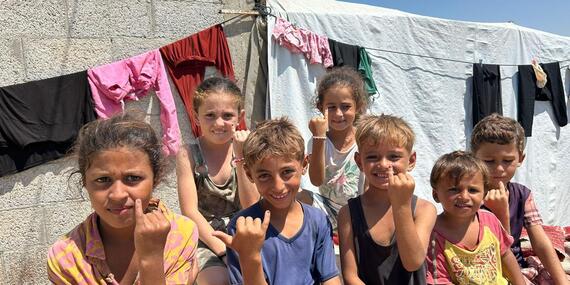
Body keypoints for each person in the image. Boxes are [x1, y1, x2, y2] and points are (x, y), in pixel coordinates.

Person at [47, 113, 199, 284]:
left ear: (155, 179)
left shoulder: (180, 234)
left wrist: (152, 258)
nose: (118, 194)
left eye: (133, 178)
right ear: (85, 183)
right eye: (102, 180)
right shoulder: (66, 257)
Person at [213, 118, 341, 285]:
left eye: (287, 172)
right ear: (250, 174)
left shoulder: (318, 220)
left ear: (304, 165)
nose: (278, 186)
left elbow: (330, 278)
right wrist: (250, 256)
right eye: (265, 175)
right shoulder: (243, 229)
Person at [176, 77, 259, 285]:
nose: (219, 123)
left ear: (239, 117)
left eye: (227, 115)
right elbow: (190, 212)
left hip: (245, 233)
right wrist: (223, 251)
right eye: (210, 115)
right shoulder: (188, 154)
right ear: (196, 117)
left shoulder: (247, 149)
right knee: (219, 280)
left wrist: (240, 157)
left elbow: (252, 204)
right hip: (206, 239)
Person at [337, 114, 437, 284]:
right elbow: (350, 275)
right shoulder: (348, 213)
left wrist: (401, 206)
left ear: (411, 160)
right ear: (359, 161)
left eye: (394, 156)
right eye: (372, 157)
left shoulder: (424, 209)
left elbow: (412, 262)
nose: (383, 164)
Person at [471, 114, 568, 284]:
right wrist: (501, 213)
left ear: (520, 159)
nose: (499, 169)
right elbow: (493, 252)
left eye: (507, 161)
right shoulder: (467, 197)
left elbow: (540, 243)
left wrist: (562, 281)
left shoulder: (522, 195)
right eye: (488, 161)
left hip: (518, 266)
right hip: (482, 270)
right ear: (473, 158)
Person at [426, 151, 525, 285]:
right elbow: (441, 280)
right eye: (454, 190)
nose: (464, 197)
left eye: (473, 190)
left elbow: (506, 255)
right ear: (436, 194)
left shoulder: (490, 220)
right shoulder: (433, 234)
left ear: (484, 193)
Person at [299, 66, 368, 233]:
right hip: (327, 207)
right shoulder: (318, 140)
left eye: (345, 106)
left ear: (358, 106)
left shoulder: (365, 138)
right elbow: (316, 181)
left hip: (361, 209)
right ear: (320, 107)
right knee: (296, 195)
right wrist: (319, 137)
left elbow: (369, 184)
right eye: (331, 107)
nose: (338, 114)